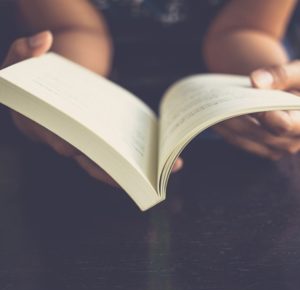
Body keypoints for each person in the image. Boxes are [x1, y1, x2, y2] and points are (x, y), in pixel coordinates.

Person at [2, 0, 300, 186]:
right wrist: (56, 92)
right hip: (84, 152)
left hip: (235, 143)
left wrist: (270, 93)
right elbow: (73, 29)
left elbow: (247, 28)